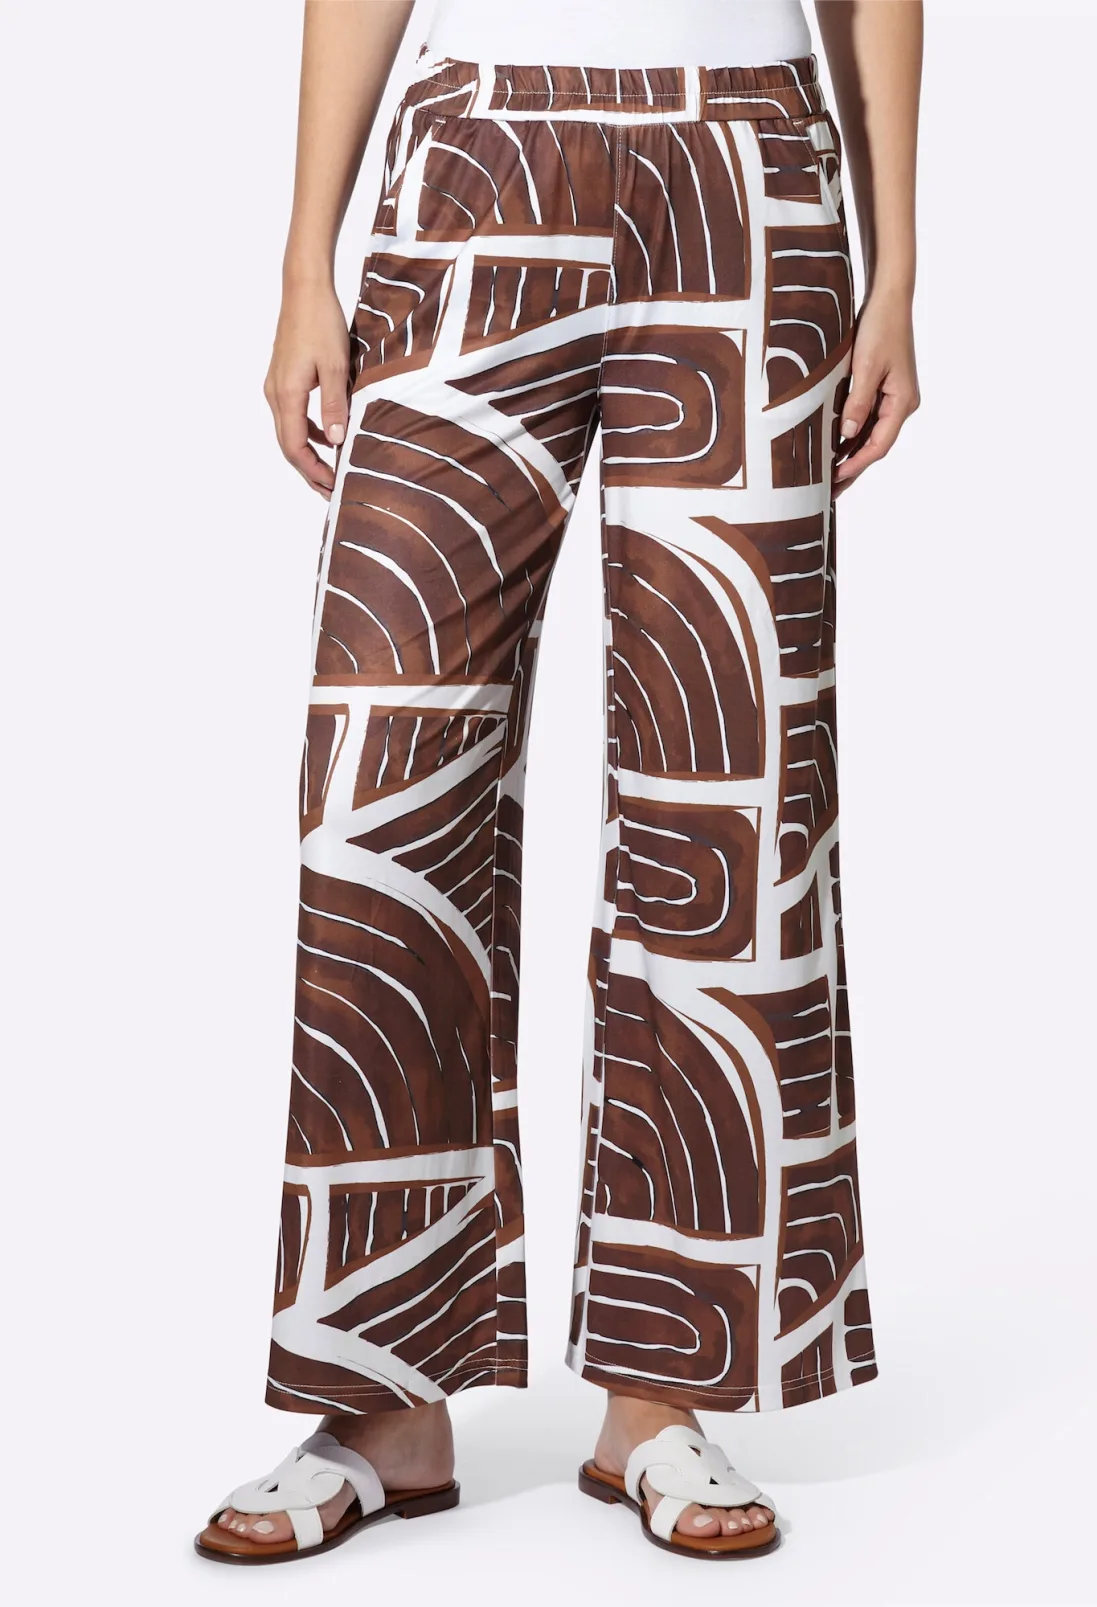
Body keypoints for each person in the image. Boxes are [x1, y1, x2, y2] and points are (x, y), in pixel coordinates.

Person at [194, 0, 921, 1565]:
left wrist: (896, 262)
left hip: (746, 166)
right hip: (478, 153)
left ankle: (660, 1391)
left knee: (727, 770)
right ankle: (380, 1393)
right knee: (383, 775)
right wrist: (305, 258)